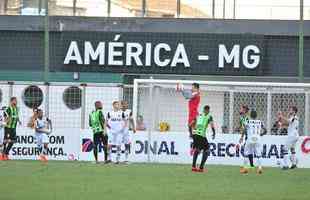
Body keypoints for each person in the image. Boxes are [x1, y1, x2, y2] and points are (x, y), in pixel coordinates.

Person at [240, 110, 266, 174]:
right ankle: (260, 168)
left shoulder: (248, 121)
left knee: (246, 153)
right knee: (259, 155)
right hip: (258, 139)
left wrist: (241, 137)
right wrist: (261, 135)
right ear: (256, 115)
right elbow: (265, 130)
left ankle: (245, 168)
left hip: (250, 139)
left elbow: (244, 129)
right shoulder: (260, 122)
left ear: (250, 115)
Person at [191, 105, 216, 173]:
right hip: (201, 135)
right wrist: (214, 133)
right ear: (208, 110)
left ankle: (193, 167)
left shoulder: (198, 115)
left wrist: (192, 133)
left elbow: (191, 124)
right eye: (208, 110)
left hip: (195, 134)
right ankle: (201, 168)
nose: (208, 111)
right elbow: (212, 125)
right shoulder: (209, 116)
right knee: (207, 150)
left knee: (197, 149)